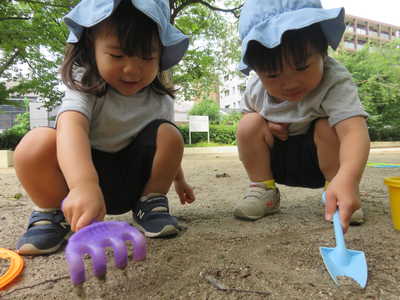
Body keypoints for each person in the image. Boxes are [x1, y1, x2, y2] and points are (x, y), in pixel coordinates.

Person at [14, 0, 195, 255]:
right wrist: (82, 185)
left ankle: (151, 202)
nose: (133, 69)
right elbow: (71, 126)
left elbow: (165, 147)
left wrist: (180, 180)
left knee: (169, 134)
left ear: (161, 54)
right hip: (79, 182)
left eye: (147, 57)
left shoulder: (160, 99)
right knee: (35, 143)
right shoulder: (85, 83)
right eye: (117, 55)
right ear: (91, 47)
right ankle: (53, 212)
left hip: (130, 184)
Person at [233, 0, 370, 233]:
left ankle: (336, 191)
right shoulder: (255, 87)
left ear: (322, 52)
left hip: (322, 161)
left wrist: (349, 177)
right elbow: (250, 131)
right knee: (249, 124)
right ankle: (263, 190)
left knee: (328, 125)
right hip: (280, 159)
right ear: (257, 71)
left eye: (302, 67)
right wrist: (266, 125)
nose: (289, 84)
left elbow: (353, 131)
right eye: (273, 75)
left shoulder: (334, 80)